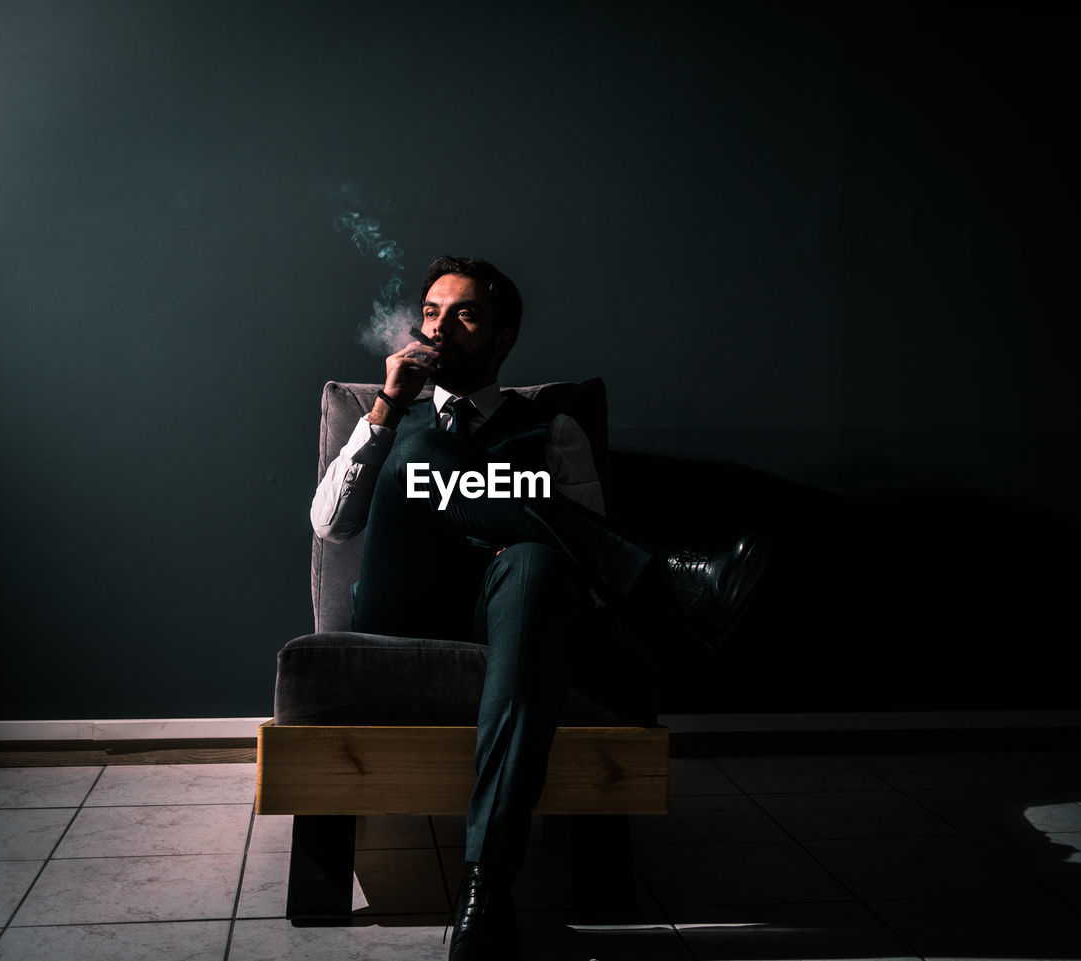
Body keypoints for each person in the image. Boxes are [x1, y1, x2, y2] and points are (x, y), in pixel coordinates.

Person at [310, 255, 767, 961]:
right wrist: (385, 411)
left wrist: (516, 535)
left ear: (501, 338)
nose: (440, 328)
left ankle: (485, 891)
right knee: (418, 460)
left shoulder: (551, 429)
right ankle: (672, 580)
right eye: (431, 312)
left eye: (464, 314)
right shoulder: (391, 413)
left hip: (506, 613)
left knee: (540, 561)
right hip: (403, 602)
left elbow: (579, 581)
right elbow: (331, 526)